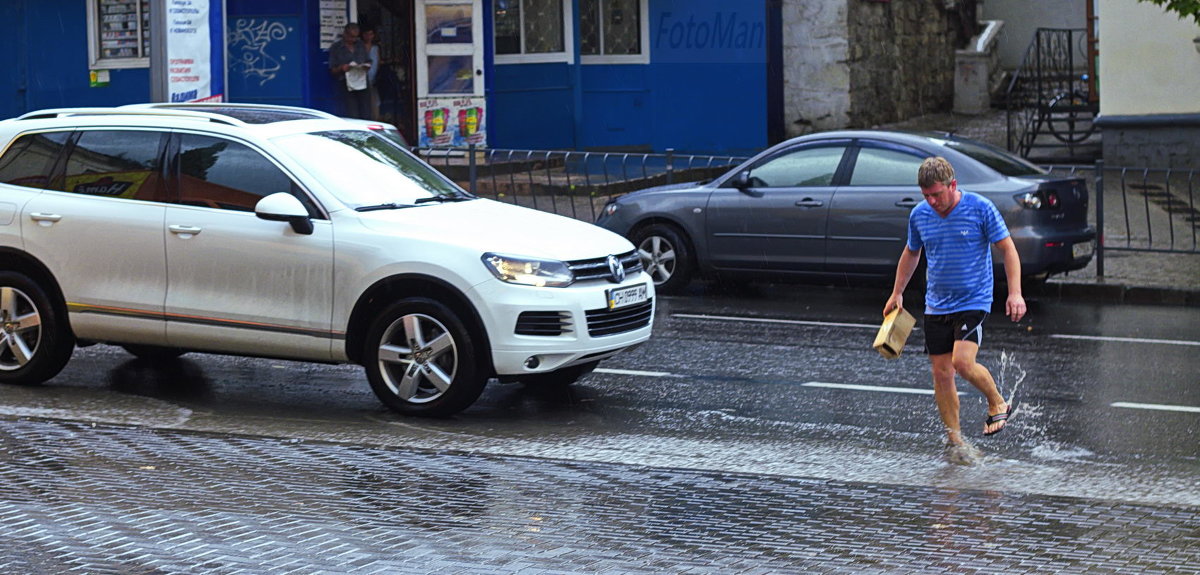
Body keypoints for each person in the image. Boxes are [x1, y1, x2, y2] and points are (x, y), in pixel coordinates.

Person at [882, 156, 1027, 453]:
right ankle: (955, 440)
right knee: (941, 373)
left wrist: (1015, 293)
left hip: (974, 299)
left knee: (961, 363)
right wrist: (897, 293)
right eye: (926, 195)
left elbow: (1008, 249)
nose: (932, 201)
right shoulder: (920, 215)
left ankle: (997, 401)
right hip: (936, 304)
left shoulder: (980, 208)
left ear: (953, 185)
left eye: (937, 194)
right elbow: (911, 253)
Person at [328, 23, 371, 119]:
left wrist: (366, 66)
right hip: (346, 82)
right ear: (345, 34)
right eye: (351, 37)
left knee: (366, 111)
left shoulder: (360, 45)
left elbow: (368, 61)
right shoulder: (336, 48)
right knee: (352, 112)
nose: (354, 40)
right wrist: (342, 68)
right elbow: (332, 69)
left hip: (362, 81)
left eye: (356, 37)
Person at [362, 26, 382, 121]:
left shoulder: (375, 48)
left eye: (371, 34)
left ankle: (375, 119)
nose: (369, 37)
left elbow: (377, 62)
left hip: (373, 78)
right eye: (366, 34)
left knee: (374, 101)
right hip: (361, 79)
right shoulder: (360, 47)